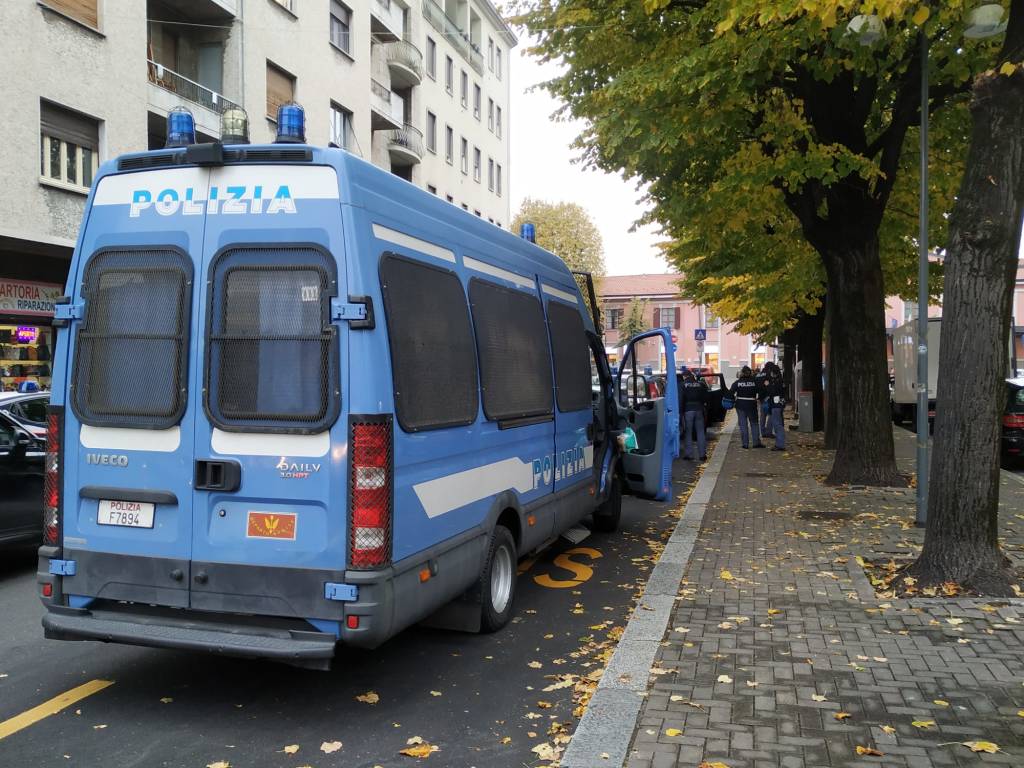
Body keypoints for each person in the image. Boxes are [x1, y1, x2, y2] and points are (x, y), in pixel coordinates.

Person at [730, 366, 762, 449]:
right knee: (754, 424)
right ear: (750, 373)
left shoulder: (737, 382)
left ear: (742, 373)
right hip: (751, 405)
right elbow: (762, 391)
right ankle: (756, 443)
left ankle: (745, 444)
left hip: (740, 405)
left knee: (743, 425)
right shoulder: (755, 382)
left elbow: (730, 393)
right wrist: (759, 399)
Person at [680, 369, 709, 461]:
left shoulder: (683, 385)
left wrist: (681, 412)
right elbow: (706, 397)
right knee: (700, 432)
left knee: (688, 432)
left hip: (688, 410)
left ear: (685, 376)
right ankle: (702, 455)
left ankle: (689, 454)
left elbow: (681, 399)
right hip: (699, 409)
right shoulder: (700, 384)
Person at [762, 363, 787, 451]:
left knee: (777, 424)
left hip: (776, 404)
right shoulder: (780, 380)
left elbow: (773, 392)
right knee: (778, 423)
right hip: (779, 404)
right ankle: (780, 443)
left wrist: (768, 385)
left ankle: (780, 444)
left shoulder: (776, 381)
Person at [754, 365, 772, 439]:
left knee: (762, 416)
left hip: (761, 398)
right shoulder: (768, 375)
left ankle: (762, 432)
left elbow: (756, 387)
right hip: (768, 398)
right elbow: (769, 386)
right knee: (771, 415)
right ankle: (768, 432)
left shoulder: (758, 375)